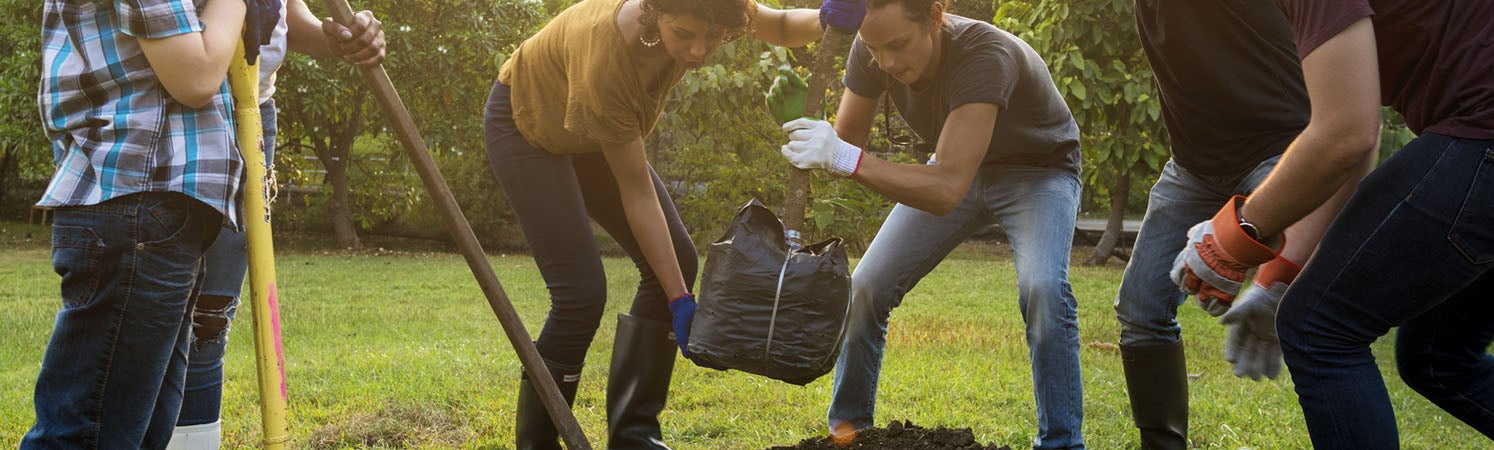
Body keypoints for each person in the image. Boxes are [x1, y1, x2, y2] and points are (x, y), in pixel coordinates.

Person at [1172, 0, 1494, 447]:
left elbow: (1344, 135)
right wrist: (1277, 278)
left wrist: (1234, 237)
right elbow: (1355, 138)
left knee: (1318, 329)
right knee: (1439, 358)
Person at [482, 0, 865, 447]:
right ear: (654, 12)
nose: (699, 52)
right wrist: (679, 299)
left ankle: (634, 435)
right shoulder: (608, 57)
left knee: (677, 261)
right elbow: (636, 192)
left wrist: (825, 17)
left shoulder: (714, 9)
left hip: (591, 133)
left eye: (712, 38)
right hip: (527, 126)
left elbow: (777, 23)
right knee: (580, 293)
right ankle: (538, 444)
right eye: (684, 35)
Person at [772, 0, 1086, 447]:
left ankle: (1062, 442)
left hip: (1037, 170)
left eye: (898, 45)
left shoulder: (984, 53)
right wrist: (800, 122)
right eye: (875, 48)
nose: (888, 62)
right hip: (954, 166)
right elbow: (845, 144)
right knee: (864, 288)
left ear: (934, 18)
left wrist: (844, 157)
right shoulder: (872, 47)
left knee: (1043, 290)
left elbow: (943, 190)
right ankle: (848, 434)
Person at [1116, 0, 1367, 447]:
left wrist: (1276, 279)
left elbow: (1352, 136)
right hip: (1192, 170)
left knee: (1312, 314)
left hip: (1280, 152)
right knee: (1140, 309)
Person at [22, 0, 260, 447]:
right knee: (87, 434)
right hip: (139, 204)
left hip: (153, 213)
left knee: (135, 432)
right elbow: (196, 76)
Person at [163, 1, 387, 448]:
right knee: (147, 319)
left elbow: (285, 18)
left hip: (251, 111)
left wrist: (340, 38)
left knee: (208, 322)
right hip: (164, 111)